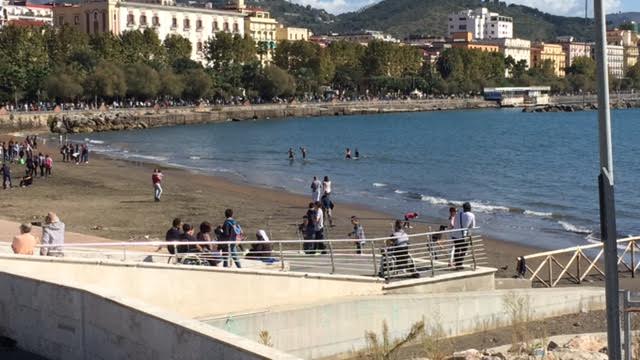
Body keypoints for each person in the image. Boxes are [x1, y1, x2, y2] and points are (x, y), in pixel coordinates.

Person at [453, 202, 477, 270]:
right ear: (470, 208)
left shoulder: (458, 214)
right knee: (464, 250)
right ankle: (459, 264)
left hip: (455, 234)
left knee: (457, 249)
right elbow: (473, 226)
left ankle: (457, 265)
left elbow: (455, 223)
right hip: (464, 235)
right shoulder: (471, 215)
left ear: (463, 208)